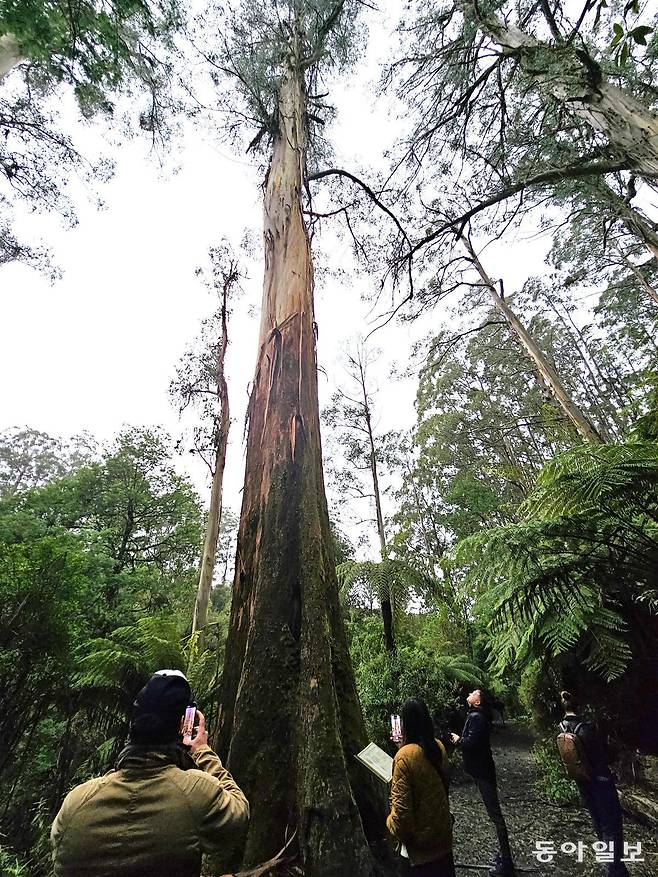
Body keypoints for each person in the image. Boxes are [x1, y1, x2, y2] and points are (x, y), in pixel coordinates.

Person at [51, 669, 249, 877]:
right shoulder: (196, 793)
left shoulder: (76, 802)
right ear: (183, 725)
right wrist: (202, 752)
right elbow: (239, 812)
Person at [559, 691, 629, 877]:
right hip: (601, 781)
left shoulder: (561, 727)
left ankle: (612, 865)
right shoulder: (587, 728)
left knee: (598, 822)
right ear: (580, 706)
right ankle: (615, 871)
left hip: (583, 781)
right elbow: (605, 755)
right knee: (611, 826)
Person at [387, 699, 456, 877]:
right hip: (441, 839)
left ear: (405, 724)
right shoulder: (438, 747)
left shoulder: (404, 757)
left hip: (419, 851)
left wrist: (389, 823)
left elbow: (402, 817)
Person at [450, 689, 514, 877]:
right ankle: (504, 856)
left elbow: (471, 743)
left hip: (483, 771)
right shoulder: (476, 715)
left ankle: (507, 862)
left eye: (474, 693)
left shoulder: (477, 717)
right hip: (481, 770)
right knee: (494, 815)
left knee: (496, 816)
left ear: (478, 702)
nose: (470, 693)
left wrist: (458, 740)